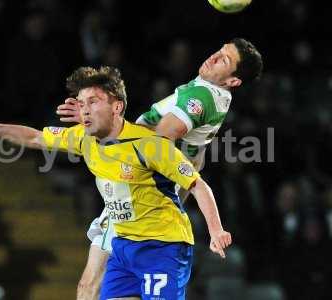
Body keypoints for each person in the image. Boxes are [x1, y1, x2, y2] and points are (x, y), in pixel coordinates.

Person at [0, 66, 231, 299]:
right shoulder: (83, 138)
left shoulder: (149, 145)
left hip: (162, 246)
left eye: (94, 102)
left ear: (117, 107)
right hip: (123, 244)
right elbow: (34, 137)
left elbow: (197, 184)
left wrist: (215, 231)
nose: (84, 110)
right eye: (81, 103)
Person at [57, 38, 263, 299]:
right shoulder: (213, 94)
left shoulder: (202, 97)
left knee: (89, 285)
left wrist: (95, 120)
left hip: (138, 193)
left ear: (233, 81)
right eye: (219, 51)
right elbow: (195, 157)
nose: (213, 57)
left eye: (224, 60)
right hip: (151, 197)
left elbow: (156, 142)